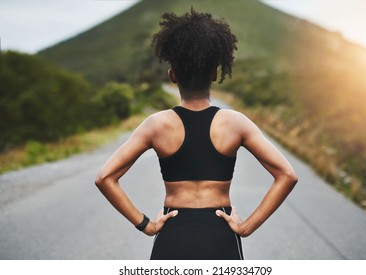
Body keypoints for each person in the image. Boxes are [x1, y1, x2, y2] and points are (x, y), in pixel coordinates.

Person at [95, 8, 297, 260]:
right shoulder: (236, 123)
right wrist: (246, 227)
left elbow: (105, 178)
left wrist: (146, 225)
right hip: (220, 233)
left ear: (172, 75)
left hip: (173, 233)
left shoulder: (155, 124)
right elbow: (287, 174)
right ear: (215, 73)